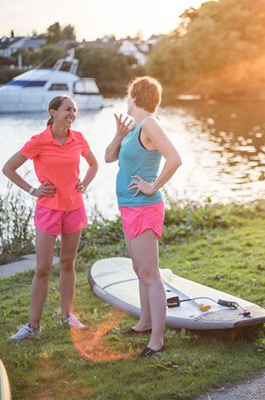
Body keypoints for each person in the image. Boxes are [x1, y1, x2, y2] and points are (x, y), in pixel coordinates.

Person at [3, 95, 99, 340]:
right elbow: (8, 168)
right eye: (68, 109)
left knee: (68, 263)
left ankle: (67, 316)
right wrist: (32, 189)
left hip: (74, 208)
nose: (72, 114)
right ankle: (33, 327)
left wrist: (84, 185)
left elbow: (93, 165)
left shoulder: (79, 139)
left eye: (75, 110)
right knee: (43, 268)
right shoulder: (39, 141)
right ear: (53, 112)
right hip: (48, 209)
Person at [104, 76, 182, 358]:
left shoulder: (150, 123)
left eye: (128, 96)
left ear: (134, 97)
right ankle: (145, 322)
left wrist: (152, 186)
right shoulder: (133, 128)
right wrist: (117, 134)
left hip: (144, 208)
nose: (126, 101)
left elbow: (174, 158)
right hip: (128, 206)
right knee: (140, 271)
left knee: (151, 276)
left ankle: (157, 341)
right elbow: (108, 158)